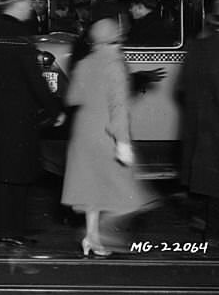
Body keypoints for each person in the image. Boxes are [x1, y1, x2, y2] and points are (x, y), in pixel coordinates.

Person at [0, 0, 64, 248]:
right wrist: (54, 110)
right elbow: (34, 79)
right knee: (17, 173)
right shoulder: (18, 35)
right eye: (27, 2)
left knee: (6, 175)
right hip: (19, 115)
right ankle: (10, 231)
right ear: (17, 4)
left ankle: (7, 230)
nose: (30, 6)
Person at [61, 16, 155, 256]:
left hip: (83, 132)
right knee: (130, 196)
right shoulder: (115, 64)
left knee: (91, 188)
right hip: (106, 133)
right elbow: (119, 107)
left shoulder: (84, 63)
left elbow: (73, 98)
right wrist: (123, 142)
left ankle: (92, 238)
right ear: (117, 39)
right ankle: (103, 233)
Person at [180, 0, 219, 244]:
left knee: (213, 180)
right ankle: (217, 232)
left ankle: (213, 229)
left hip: (201, 125)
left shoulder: (197, 47)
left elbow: (182, 88)